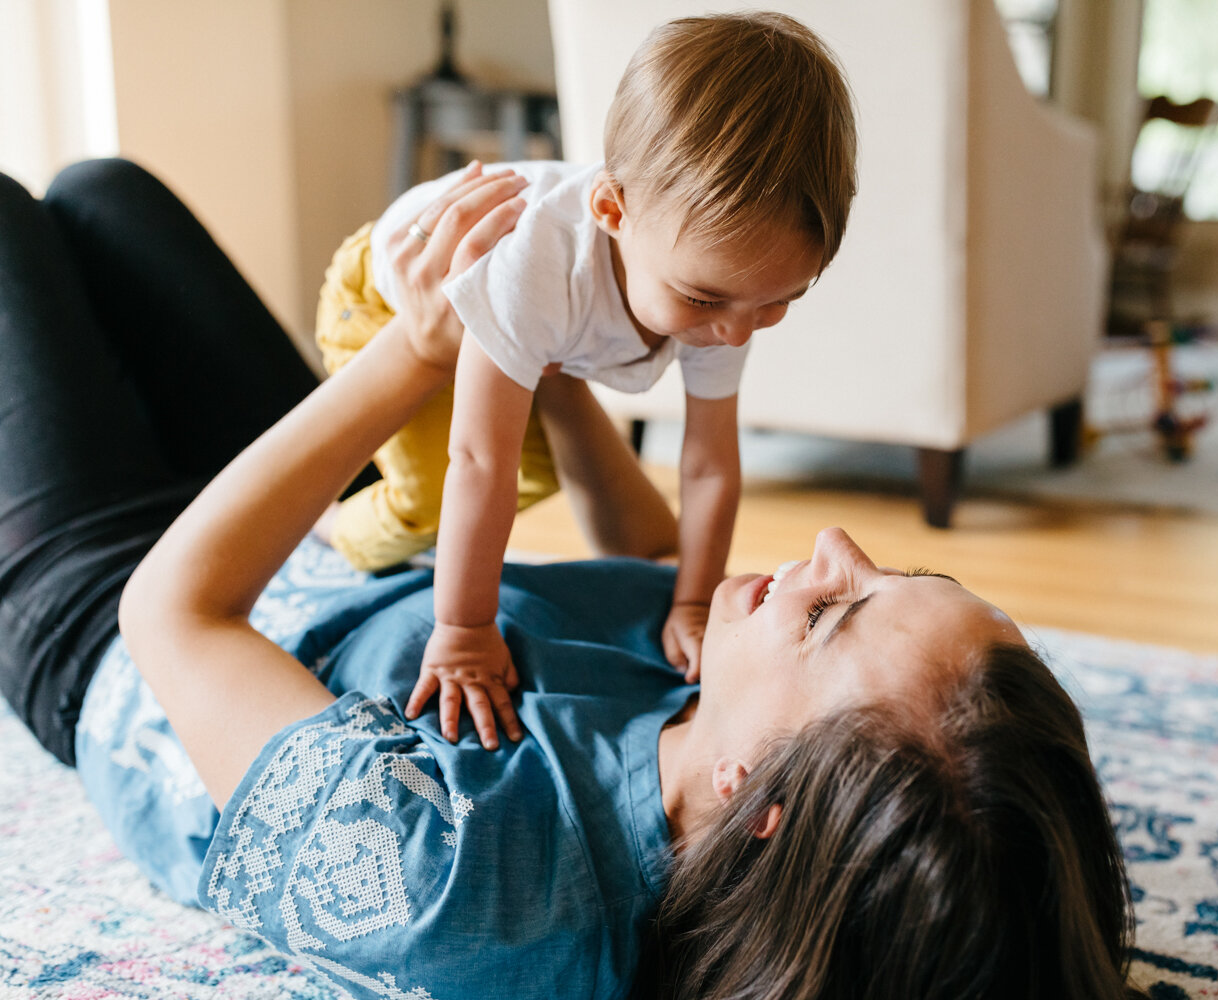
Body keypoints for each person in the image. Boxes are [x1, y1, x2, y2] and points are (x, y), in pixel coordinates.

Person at [0, 159, 1144, 1000]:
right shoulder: (730, 731)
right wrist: (528, 326)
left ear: (767, 796)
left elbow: (175, 609)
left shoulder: (457, 885)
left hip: (121, 618)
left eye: (837, 610)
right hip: (351, 543)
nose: (834, 545)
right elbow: (651, 558)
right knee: (106, 196)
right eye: (898, 570)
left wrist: (423, 347)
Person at [316, 12, 858, 754]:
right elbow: (478, 463)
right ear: (611, 211)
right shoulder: (535, 269)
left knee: (533, 471)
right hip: (384, 299)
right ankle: (330, 528)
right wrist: (466, 630)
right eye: (704, 302)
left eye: (778, 302)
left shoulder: (724, 283)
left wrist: (695, 603)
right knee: (433, 495)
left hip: (531, 337)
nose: (736, 331)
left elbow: (706, 465)